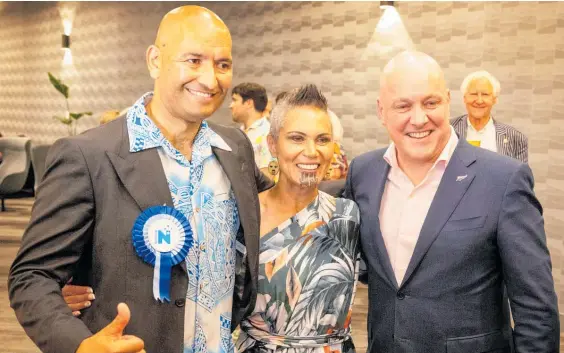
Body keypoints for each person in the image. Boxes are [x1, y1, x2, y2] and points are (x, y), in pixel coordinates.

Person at [9, 6, 272, 353]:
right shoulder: (89, 155)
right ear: (154, 61)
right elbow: (31, 277)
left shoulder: (235, 147)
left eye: (223, 64)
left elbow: (274, 209)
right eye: (193, 60)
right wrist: (79, 345)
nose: (211, 79)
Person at [343, 51, 559, 352]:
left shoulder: (504, 179)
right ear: (381, 111)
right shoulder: (363, 173)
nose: (419, 118)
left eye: (430, 103)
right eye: (403, 106)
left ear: (447, 100)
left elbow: (536, 310)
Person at [235, 84, 360, 353]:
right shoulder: (245, 216)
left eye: (323, 139)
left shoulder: (348, 217)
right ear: (272, 144)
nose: (312, 151)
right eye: (297, 138)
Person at [451, 70, 528, 162]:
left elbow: (520, 175)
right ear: (465, 98)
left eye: (485, 94)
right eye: (474, 94)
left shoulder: (515, 138)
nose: (479, 101)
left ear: (494, 99)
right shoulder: (448, 130)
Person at [230, 82, 275, 179]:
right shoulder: (238, 133)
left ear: (248, 103)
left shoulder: (267, 134)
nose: (231, 106)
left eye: (234, 100)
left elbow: (268, 177)